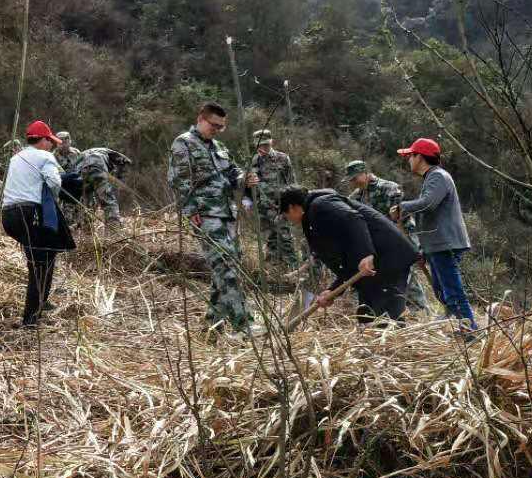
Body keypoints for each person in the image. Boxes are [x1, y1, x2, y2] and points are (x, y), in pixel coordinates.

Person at [167, 102, 259, 335]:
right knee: (225, 265)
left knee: (230, 265)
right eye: (213, 125)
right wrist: (191, 213)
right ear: (201, 119)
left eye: (221, 127)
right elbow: (179, 181)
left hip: (227, 213)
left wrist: (245, 178)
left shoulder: (219, 146)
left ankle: (212, 327)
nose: (216, 130)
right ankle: (243, 323)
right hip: (205, 213)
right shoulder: (183, 143)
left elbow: (232, 174)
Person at [279, 187, 418, 323]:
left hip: (387, 259)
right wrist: (332, 291)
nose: (289, 220)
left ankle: (395, 343)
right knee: (367, 318)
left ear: (292, 207)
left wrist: (367, 254)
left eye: (286, 215)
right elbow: (345, 260)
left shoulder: (321, 205)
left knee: (386, 319)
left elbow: (354, 218)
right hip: (372, 268)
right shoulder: (313, 218)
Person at [391, 138, 478, 335]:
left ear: (420, 157)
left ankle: (470, 330)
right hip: (437, 245)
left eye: (410, 156)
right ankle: (455, 324)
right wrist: (424, 250)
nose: (408, 160)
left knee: (452, 291)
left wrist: (402, 207)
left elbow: (429, 203)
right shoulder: (434, 177)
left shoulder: (438, 176)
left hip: (445, 244)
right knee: (442, 290)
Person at [1, 121, 75, 326]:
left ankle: (42, 302)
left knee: (46, 255)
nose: (51, 145)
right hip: (29, 213)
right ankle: (31, 319)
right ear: (42, 140)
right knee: (40, 265)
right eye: (49, 141)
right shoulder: (45, 156)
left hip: (8, 216)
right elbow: (54, 182)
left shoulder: (15, 158)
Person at [343, 158, 433, 313]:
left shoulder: (388, 187)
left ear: (365, 173)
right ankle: (394, 308)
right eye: (351, 180)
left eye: (355, 178)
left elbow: (399, 214)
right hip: (380, 242)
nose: (353, 182)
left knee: (407, 271)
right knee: (389, 275)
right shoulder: (355, 197)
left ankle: (420, 309)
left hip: (401, 234)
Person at [55, 131, 130, 225]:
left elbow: (83, 166)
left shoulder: (76, 152)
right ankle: (73, 226)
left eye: (65, 141)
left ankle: (89, 225)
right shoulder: (53, 156)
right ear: (57, 143)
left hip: (81, 180)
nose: (63, 144)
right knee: (69, 214)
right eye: (60, 142)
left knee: (90, 205)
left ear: (70, 141)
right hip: (67, 185)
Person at [250, 130, 298, 267]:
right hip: (263, 207)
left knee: (285, 238)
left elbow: (292, 182)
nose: (263, 148)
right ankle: (274, 269)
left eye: (266, 145)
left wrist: (292, 203)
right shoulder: (253, 161)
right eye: (260, 145)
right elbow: (249, 186)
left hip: (280, 206)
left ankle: (293, 267)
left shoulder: (282, 158)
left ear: (271, 142)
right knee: (270, 239)